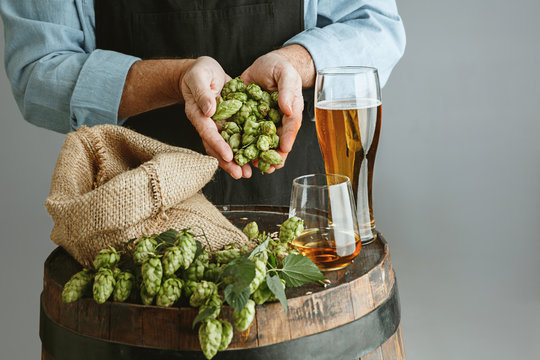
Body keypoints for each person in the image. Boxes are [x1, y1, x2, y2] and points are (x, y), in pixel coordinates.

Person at [0, 0, 405, 205]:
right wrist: (178, 79)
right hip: (133, 221)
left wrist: (294, 63)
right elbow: (38, 71)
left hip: (298, 216)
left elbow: (377, 26)